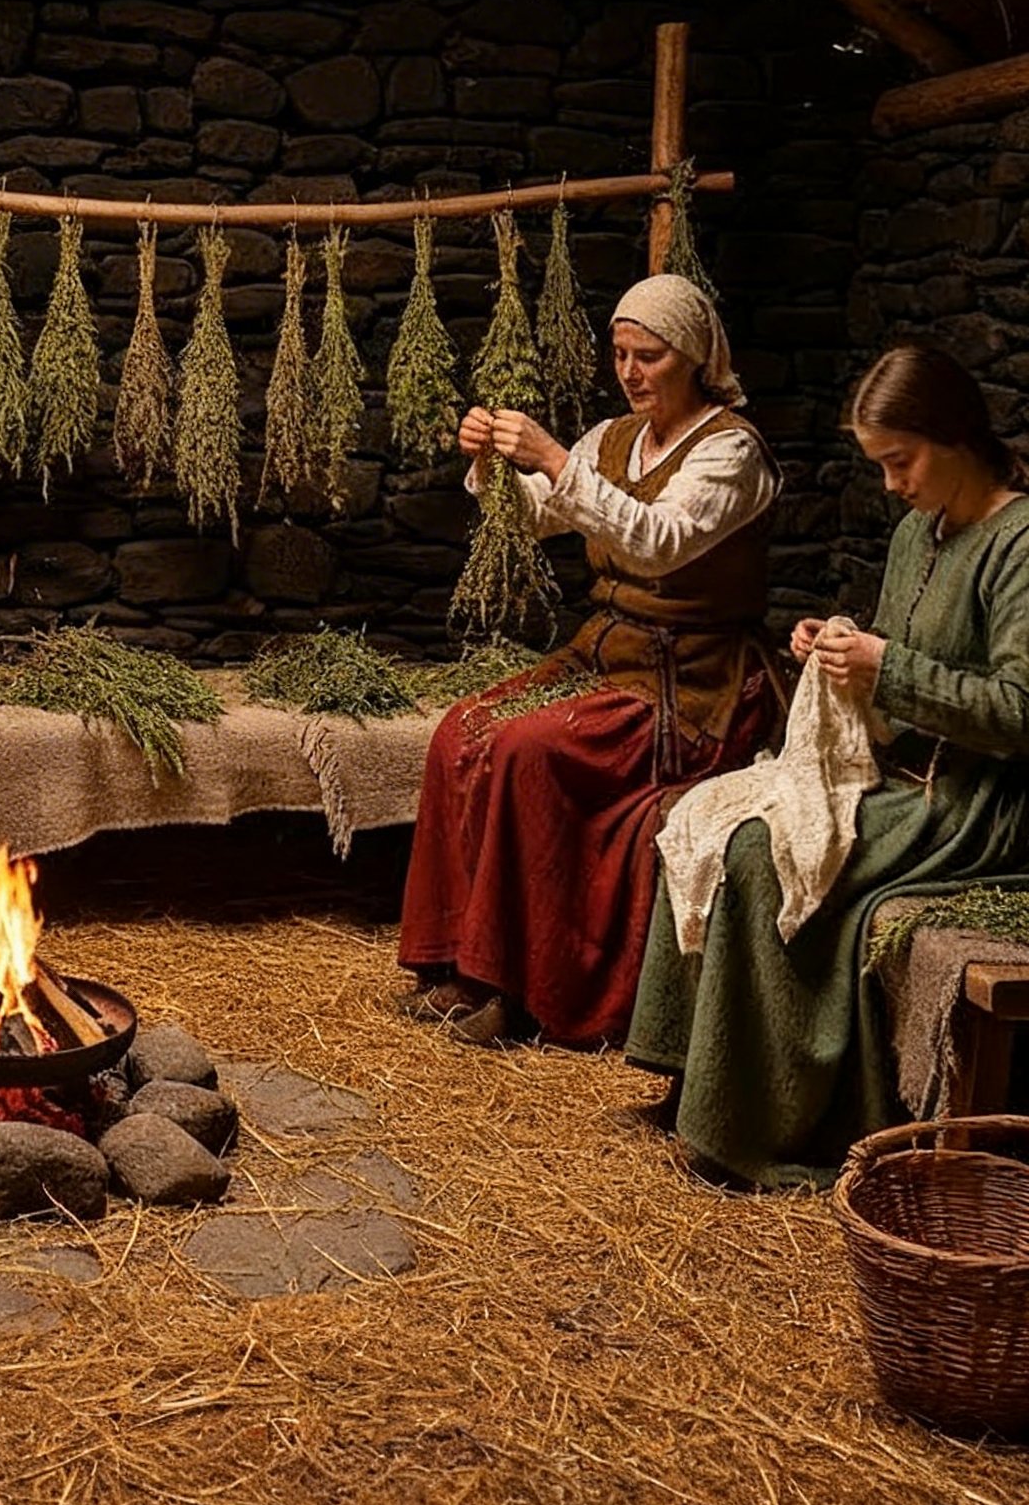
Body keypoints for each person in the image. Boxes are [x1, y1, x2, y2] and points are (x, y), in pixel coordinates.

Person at [626, 343, 1029, 1187]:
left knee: (765, 857)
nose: (891, 484)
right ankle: (700, 1078)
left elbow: (1017, 711)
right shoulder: (923, 533)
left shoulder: (1018, 544)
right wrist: (838, 648)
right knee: (709, 814)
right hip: (896, 772)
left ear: (955, 437)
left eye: (900, 461)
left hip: (967, 804)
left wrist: (889, 669)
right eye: (880, 465)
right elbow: (900, 657)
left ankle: (762, 1125)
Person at [400, 272, 783, 1047]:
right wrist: (496, 466)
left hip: (690, 679)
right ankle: (454, 963)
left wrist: (549, 455)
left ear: (696, 358)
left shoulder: (731, 453)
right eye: (620, 354)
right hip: (604, 657)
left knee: (524, 750)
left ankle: (517, 986)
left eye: (650, 356)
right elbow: (539, 517)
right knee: (464, 729)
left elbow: (658, 541)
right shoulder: (612, 438)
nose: (631, 372)